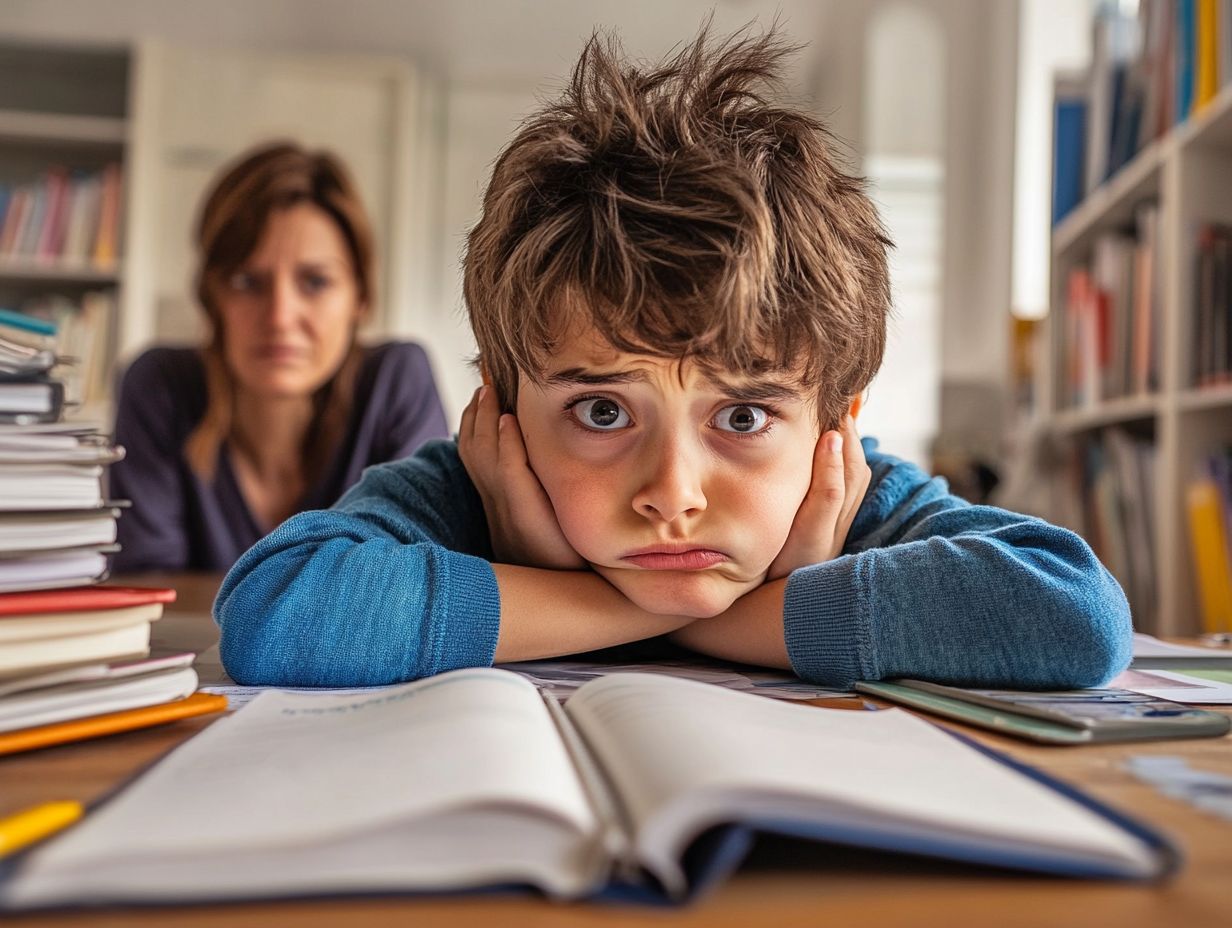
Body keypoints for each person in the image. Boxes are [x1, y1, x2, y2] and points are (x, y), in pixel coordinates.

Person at [216, 30, 1131, 689]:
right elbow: (274, 613)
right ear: (503, 412)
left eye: (741, 416)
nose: (673, 492)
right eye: (603, 412)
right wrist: (670, 610)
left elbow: (1074, 614)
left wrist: (644, 607)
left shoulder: (847, 490)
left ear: (831, 423)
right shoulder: (474, 483)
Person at [111, 142, 450, 572]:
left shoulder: (396, 381)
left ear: (360, 297)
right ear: (211, 297)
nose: (279, 316)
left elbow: (418, 582)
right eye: (247, 281)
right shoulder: (158, 387)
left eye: (314, 281)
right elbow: (148, 593)